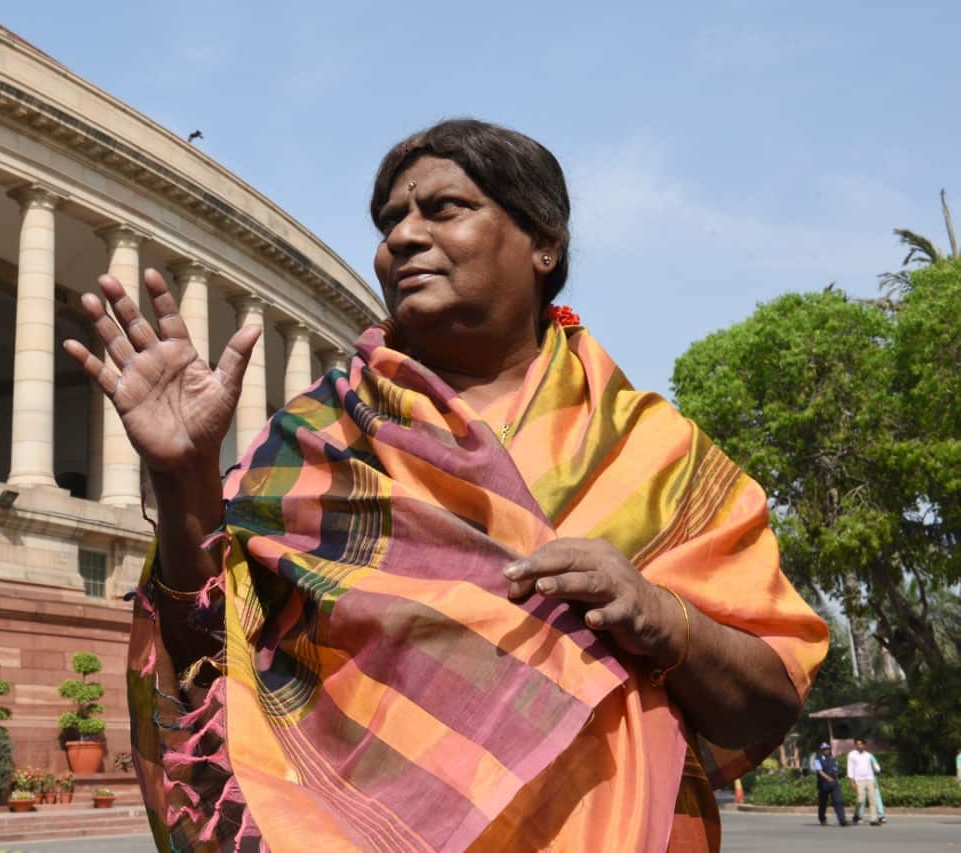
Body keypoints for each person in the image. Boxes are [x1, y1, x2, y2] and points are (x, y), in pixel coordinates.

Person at [66, 118, 829, 851]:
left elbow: (771, 695)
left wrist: (660, 614)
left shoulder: (654, 452)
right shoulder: (316, 443)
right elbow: (207, 663)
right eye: (390, 220)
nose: (401, 236)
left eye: (444, 208)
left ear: (544, 243)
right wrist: (184, 477)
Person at [846, 737, 885, 825]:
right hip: (859, 780)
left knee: (872, 800)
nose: (859, 746)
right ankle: (856, 815)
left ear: (864, 745)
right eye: (857, 744)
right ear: (855, 745)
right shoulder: (852, 755)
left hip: (870, 779)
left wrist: (874, 782)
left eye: (861, 744)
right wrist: (851, 781)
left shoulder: (868, 755)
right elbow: (850, 769)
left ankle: (873, 819)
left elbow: (872, 769)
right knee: (860, 800)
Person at [813, 742, 849, 826]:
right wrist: (828, 778)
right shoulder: (818, 760)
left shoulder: (833, 759)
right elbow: (820, 771)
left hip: (834, 784)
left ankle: (842, 820)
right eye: (824, 749)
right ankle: (822, 818)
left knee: (838, 801)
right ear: (821, 750)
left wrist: (842, 776)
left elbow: (836, 770)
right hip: (823, 784)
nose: (826, 751)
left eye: (828, 749)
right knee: (823, 803)